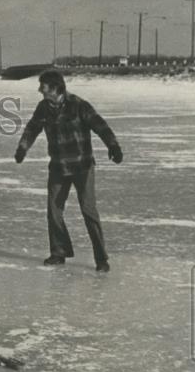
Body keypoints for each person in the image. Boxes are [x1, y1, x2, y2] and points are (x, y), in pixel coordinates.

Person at [14, 70, 123, 273]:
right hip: (58, 167)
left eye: (43, 86)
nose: (40, 90)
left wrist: (113, 146)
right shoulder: (43, 108)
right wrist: (22, 148)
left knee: (88, 212)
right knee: (53, 211)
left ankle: (101, 258)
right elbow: (32, 129)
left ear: (55, 88)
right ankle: (59, 252)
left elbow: (100, 126)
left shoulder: (78, 105)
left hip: (82, 166)